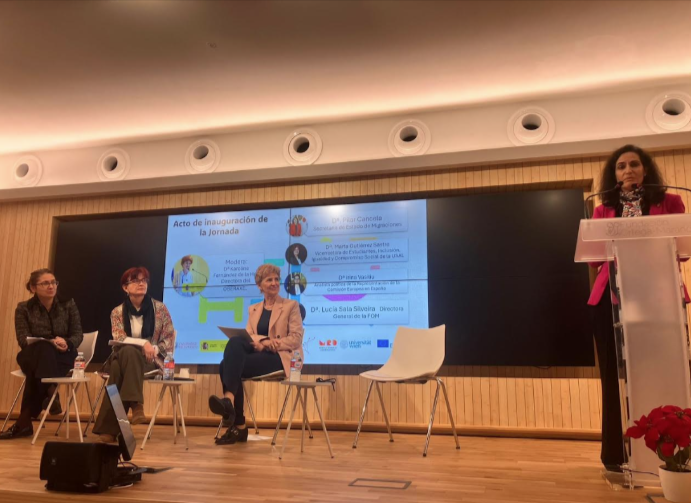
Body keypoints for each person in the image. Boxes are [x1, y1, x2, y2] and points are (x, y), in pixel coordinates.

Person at [588, 144, 687, 471]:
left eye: (634, 164)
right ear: (613, 175)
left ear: (646, 169)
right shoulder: (603, 210)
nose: (627, 170)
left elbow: (683, 251)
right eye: (621, 166)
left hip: (660, 298)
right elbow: (594, 259)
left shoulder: (670, 202)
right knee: (613, 381)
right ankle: (615, 456)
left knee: (660, 373)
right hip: (610, 299)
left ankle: (671, 455)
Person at [209, 264, 304, 445]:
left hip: (280, 357)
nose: (274, 283)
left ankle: (236, 421)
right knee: (234, 344)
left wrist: (268, 344)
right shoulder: (253, 309)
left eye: (276, 279)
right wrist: (262, 342)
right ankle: (234, 414)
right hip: (259, 353)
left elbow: (296, 338)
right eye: (269, 280)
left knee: (227, 365)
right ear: (260, 285)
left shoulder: (291, 306)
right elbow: (249, 335)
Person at [93, 267, 175, 443]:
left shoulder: (160, 309)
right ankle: (135, 403)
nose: (141, 284)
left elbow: (169, 337)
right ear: (125, 287)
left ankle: (109, 430)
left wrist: (153, 348)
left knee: (117, 369)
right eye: (136, 281)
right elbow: (119, 338)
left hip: (150, 360)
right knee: (128, 352)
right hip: (125, 355)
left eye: (144, 280)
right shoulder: (117, 311)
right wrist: (143, 343)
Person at [0, 269, 83, 440]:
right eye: (45, 283)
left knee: (36, 372)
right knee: (44, 349)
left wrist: (67, 342)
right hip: (32, 354)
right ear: (33, 288)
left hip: (62, 356)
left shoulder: (68, 304)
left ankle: (24, 423)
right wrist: (47, 342)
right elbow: (23, 339)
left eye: (53, 282)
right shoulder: (24, 308)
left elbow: (77, 334)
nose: (51, 286)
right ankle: (51, 390)